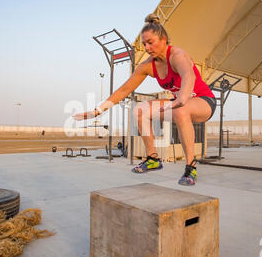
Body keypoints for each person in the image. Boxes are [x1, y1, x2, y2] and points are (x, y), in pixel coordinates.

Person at [73, 14, 216, 186]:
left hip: (203, 101)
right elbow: (124, 90)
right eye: (144, 44)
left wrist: (183, 98)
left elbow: (188, 75)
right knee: (138, 110)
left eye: (151, 42)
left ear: (164, 40)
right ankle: (153, 158)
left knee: (180, 110)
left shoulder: (177, 55)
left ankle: (190, 167)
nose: (147, 48)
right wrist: (97, 111)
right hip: (179, 103)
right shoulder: (147, 66)